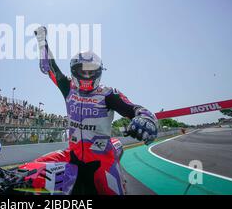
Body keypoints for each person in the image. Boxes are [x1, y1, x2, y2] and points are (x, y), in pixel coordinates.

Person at [30, 26, 158, 195]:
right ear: (74, 71)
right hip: (72, 155)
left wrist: (147, 119)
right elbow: (49, 67)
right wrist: (41, 42)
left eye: (91, 70)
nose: (87, 74)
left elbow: (135, 109)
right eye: (83, 70)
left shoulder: (109, 94)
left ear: (99, 71)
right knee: (28, 173)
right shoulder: (68, 88)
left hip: (103, 160)